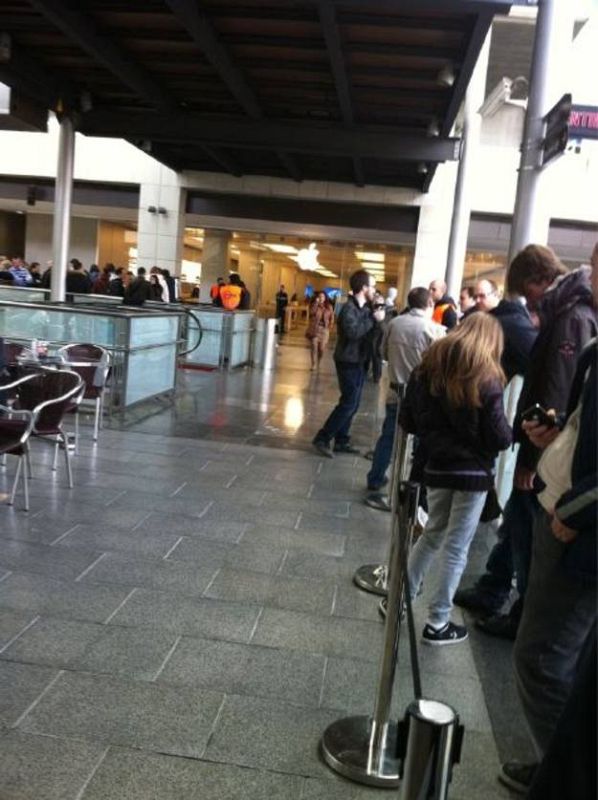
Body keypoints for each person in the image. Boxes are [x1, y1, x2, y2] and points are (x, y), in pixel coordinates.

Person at [455, 244, 597, 640]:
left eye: (528, 291)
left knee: (526, 532)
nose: (528, 302)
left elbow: (556, 388)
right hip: (546, 444)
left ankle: (521, 615)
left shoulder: (571, 318)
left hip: (546, 449)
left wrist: (532, 459)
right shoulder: (569, 312)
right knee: (517, 525)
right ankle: (495, 590)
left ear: (540, 280)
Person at [499, 287, 597, 795]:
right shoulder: (590, 337)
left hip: (576, 527)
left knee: (540, 658)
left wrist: (576, 510)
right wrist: (557, 430)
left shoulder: (577, 324)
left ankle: (567, 780)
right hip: (565, 511)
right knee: (567, 658)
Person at [400, 313, 512, 645]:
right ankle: (437, 621)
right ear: (491, 341)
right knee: (456, 548)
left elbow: (410, 418)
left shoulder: (429, 367)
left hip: (436, 466)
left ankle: (399, 601)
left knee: (432, 533)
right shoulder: (487, 377)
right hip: (473, 475)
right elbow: (500, 437)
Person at [365, 287, 444, 505]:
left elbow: (382, 352)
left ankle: (376, 477)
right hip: (422, 398)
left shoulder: (394, 323)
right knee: (420, 443)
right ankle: (414, 487)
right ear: (429, 304)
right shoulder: (434, 330)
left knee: (388, 437)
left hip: (395, 390)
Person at [312, 269, 385, 458]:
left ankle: (342, 440)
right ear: (363, 288)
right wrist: (372, 318)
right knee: (348, 402)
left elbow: (375, 334)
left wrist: (378, 316)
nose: (374, 290)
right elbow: (354, 333)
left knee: (354, 403)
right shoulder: (348, 309)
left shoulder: (366, 308)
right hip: (348, 360)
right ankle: (323, 437)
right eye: (372, 286)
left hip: (361, 360)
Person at [306, 291, 334, 370]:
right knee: (314, 346)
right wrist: (315, 303)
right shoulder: (314, 305)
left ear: (325, 298)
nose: (321, 298)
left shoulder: (329, 307)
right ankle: (313, 364)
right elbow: (311, 313)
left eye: (323, 297)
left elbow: (332, 317)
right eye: (320, 297)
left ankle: (319, 361)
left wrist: (330, 326)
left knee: (321, 349)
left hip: (324, 330)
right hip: (315, 328)